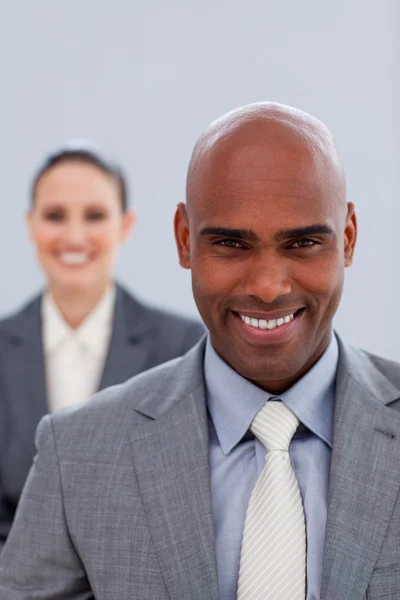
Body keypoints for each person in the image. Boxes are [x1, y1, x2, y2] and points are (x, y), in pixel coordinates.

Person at [0, 102, 398, 600]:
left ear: (349, 238)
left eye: (303, 244)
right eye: (232, 244)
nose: (268, 287)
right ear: (185, 240)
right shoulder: (76, 454)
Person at [0, 141, 205, 550]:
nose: (74, 236)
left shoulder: (183, 347)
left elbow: (191, 505)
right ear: (30, 224)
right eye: (55, 215)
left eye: (95, 215)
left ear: (125, 225)